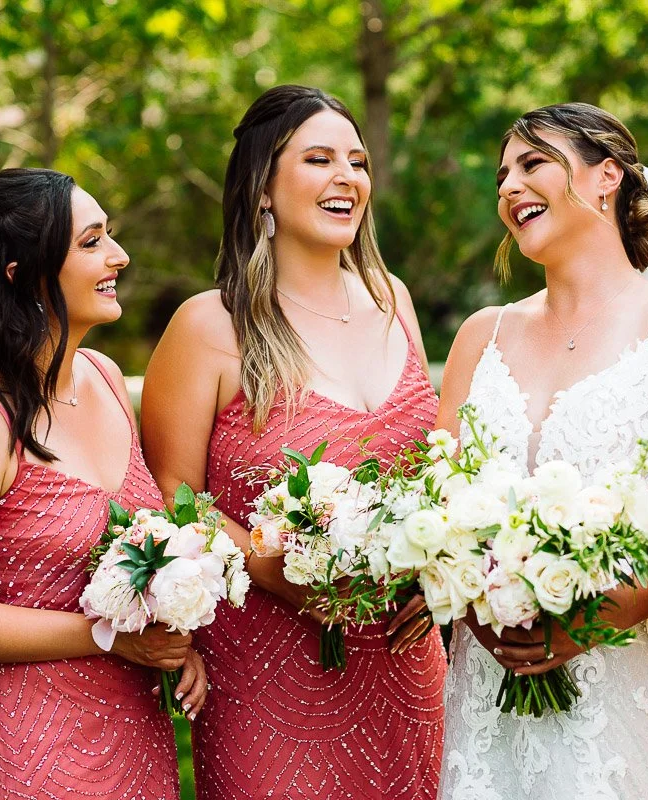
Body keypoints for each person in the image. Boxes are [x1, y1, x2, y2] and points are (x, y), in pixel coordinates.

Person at [436, 102, 648, 800]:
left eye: (532, 163)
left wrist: (586, 623)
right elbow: (436, 508)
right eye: (501, 175)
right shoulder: (479, 337)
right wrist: (478, 608)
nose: (508, 186)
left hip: (627, 689)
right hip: (486, 692)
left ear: (607, 175)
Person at [140, 85, 446, 799]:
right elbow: (170, 496)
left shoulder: (392, 299)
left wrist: (441, 574)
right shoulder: (209, 326)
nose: (348, 177)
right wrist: (276, 570)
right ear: (264, 189)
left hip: (406, 667)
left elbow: (437, 474)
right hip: (267, 674)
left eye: (358, 161)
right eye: (319, 159)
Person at [0, 168, 205, 799]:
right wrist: (110, 637)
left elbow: (135, 561)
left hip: (137, 736)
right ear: (23, 274)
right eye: (92, 242)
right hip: (37, 743)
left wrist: (171, 634)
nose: (119, 256)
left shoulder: (106, 377)